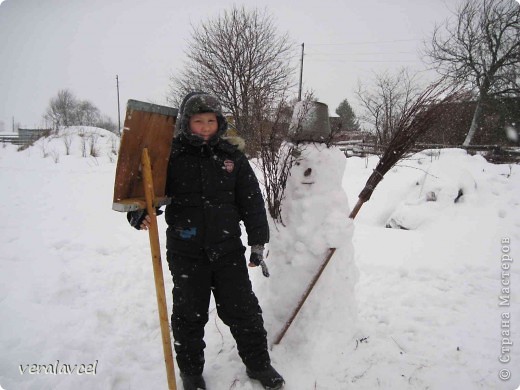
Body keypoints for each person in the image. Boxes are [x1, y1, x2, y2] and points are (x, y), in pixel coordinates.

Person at [127, 92, 285, 390]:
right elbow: (146, 192)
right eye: (198, 121)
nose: (204, 127)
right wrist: (138, 213)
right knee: (189, 316)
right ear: (187, 123)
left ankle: (259, 365)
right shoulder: (171, 155)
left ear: (219, 122)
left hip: (227, 250)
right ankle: (191, 373)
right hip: (186, 252)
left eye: (210, 121)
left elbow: (251, 200)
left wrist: (257, 242)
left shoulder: (231, 156)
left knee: (243, 311)